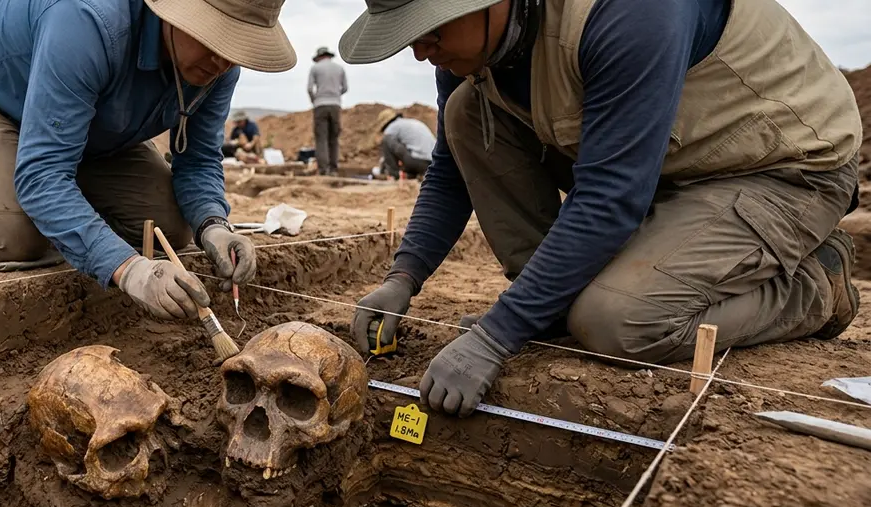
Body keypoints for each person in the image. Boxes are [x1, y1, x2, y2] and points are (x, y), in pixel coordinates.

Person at [339, 0, 861, 416]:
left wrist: (496, 337)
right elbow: (453, 165)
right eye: (411, 35)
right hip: (663, 170)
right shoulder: (469, 50)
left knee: (618, 322)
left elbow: (611, 196)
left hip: (778, 170)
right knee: (467, 112)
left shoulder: (631, 11)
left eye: (430, 29)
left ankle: (818, 286)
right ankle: (550, 305)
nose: (421, 51)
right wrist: (403, 277)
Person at [0, 0, 297, 321]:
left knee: (170, 227)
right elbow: (43, 173)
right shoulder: (88, 20)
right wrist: (129, 270)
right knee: (15, 237)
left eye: (234, 47)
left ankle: (40, 182)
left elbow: (199, 158)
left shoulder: (217, 66)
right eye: (215, 39)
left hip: (84, 129)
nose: (222, 61)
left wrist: (213, 225)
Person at [306, 46, 347, 176]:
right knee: (333, 138)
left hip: (320, 105)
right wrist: (336, 96)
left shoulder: (315, 68)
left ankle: (323, 170)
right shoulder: (339, 68)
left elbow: (309, 88)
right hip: (335, 105)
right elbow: (345, 88)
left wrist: (315, 100)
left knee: (321, 138)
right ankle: (333, 169)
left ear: (319, 57)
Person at [375, 108, 435, 180]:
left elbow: (387, 153)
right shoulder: (406, 123)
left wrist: (381, 171)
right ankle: (412, 175)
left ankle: (394, 175)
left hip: (417, 161)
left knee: (386, 140)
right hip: (432, 163)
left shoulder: (392, 127)